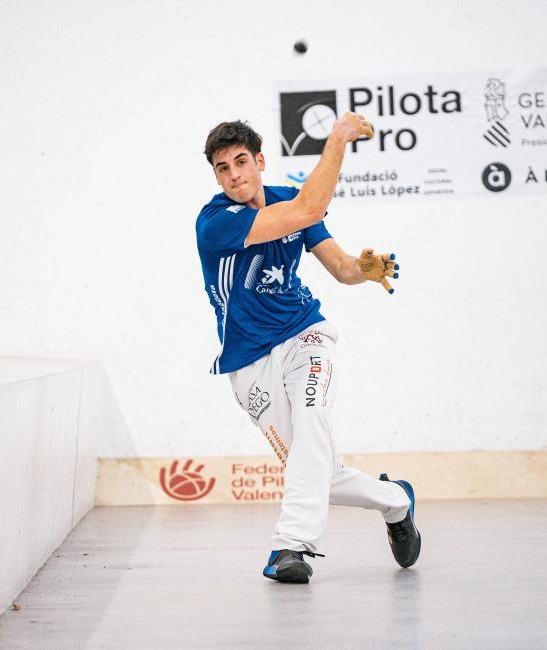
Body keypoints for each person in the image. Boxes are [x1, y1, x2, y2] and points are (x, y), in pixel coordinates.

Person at [195, 115, 421, 583]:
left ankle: (290, 546)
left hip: (305, 334)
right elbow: (308, 209)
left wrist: (367, 270)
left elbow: (340, 267)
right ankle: (396, 501)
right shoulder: (215, 223)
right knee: (315, 469)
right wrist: (338, 138)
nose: (234, 174)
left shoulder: (287, 198)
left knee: (313, 414)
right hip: (248, 362)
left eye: (241, 162)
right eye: (222, 168)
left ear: (259, 161)